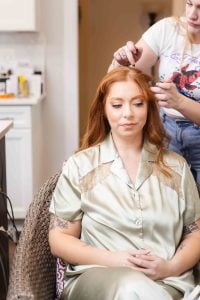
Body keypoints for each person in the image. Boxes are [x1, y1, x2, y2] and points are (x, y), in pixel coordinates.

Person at [49, 67, 200, 300]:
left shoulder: (177, 167)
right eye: (117, 105)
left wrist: (170, 267)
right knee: (130, 287)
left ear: (149, 109)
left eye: (137, 104)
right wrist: (116, 260)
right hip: (98, 279)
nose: (127, 113)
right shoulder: (80, 166)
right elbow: (59, 239)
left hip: (168, 283)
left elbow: (195, 233)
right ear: (103, 109)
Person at [109, 0, 200, 191]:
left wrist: (180, 102)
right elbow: (115, 78)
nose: (192, 14)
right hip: (165, 133)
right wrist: (120, 63)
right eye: (189, 3)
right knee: (168, 208)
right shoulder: (168, 29)